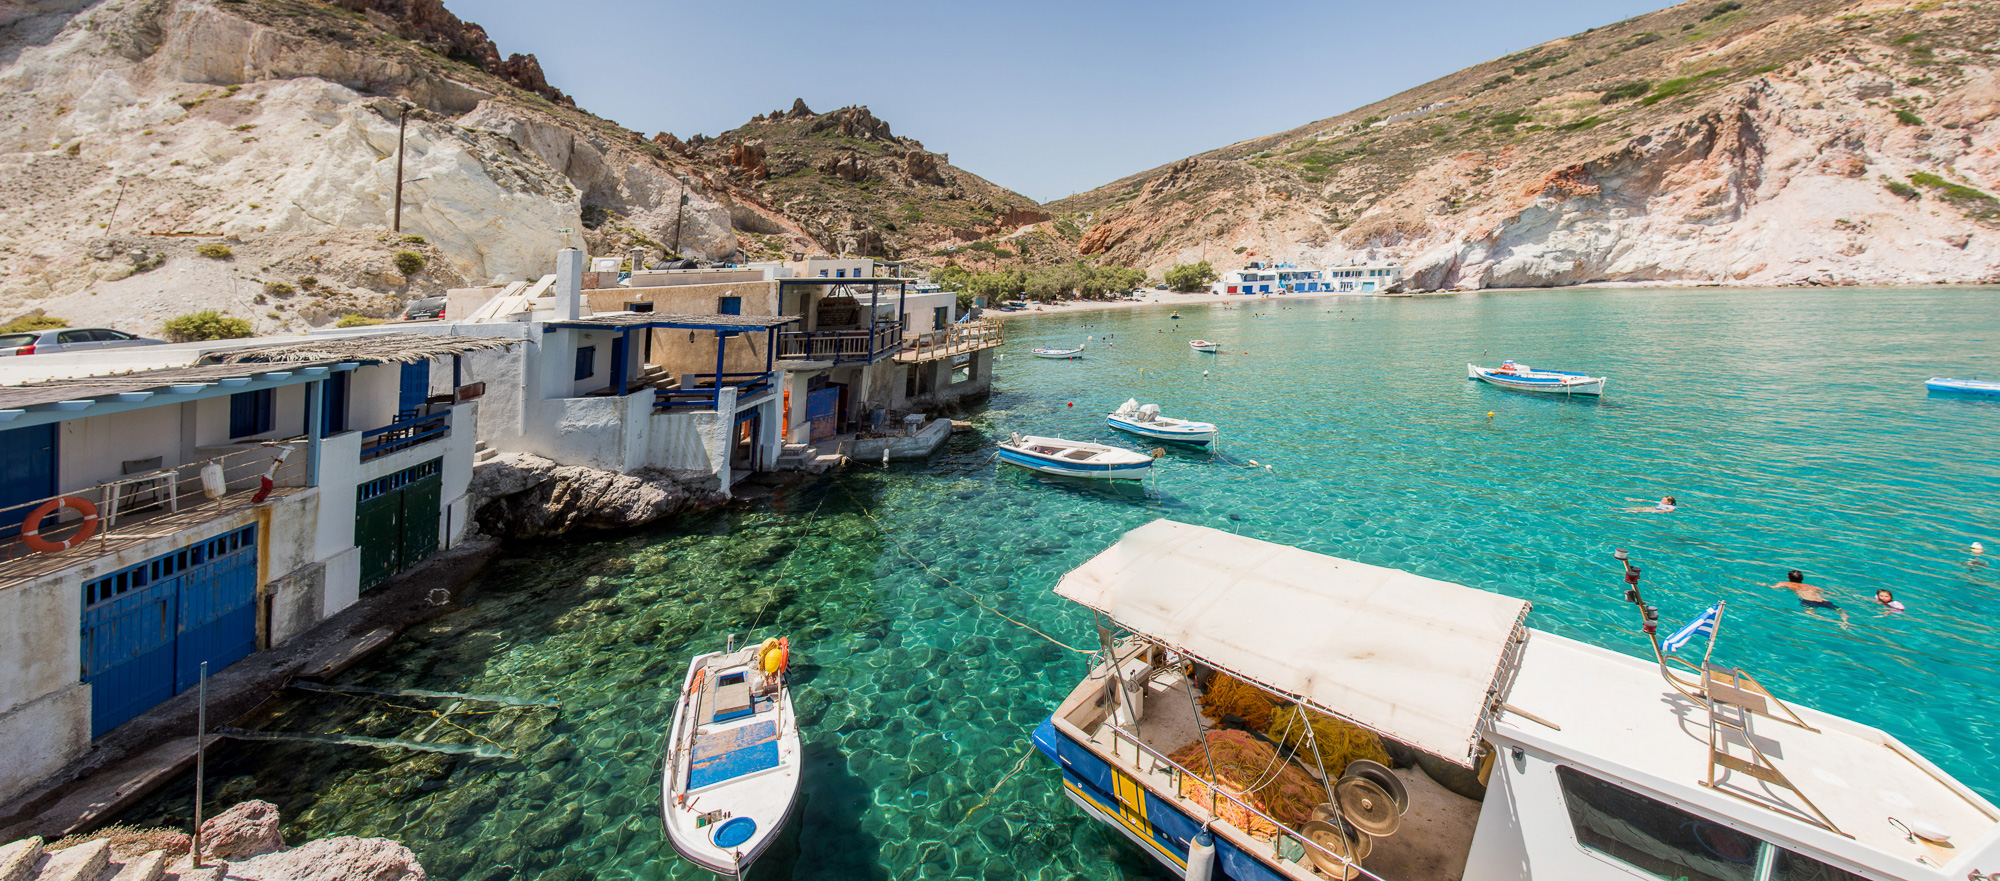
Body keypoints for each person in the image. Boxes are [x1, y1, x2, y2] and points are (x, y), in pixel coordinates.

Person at [1771, 570, 1849, 625]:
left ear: (1788, 576)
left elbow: (1773, 587)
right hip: (1823, 601)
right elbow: (1829, 592)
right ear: (1802, 578)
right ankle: (1845, 621)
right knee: (1840, 610)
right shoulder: (1811, 586)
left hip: (1809, 601)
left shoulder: (1785, 583)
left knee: (1809, 612)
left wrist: (1764, 585)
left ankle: (1834, 622)